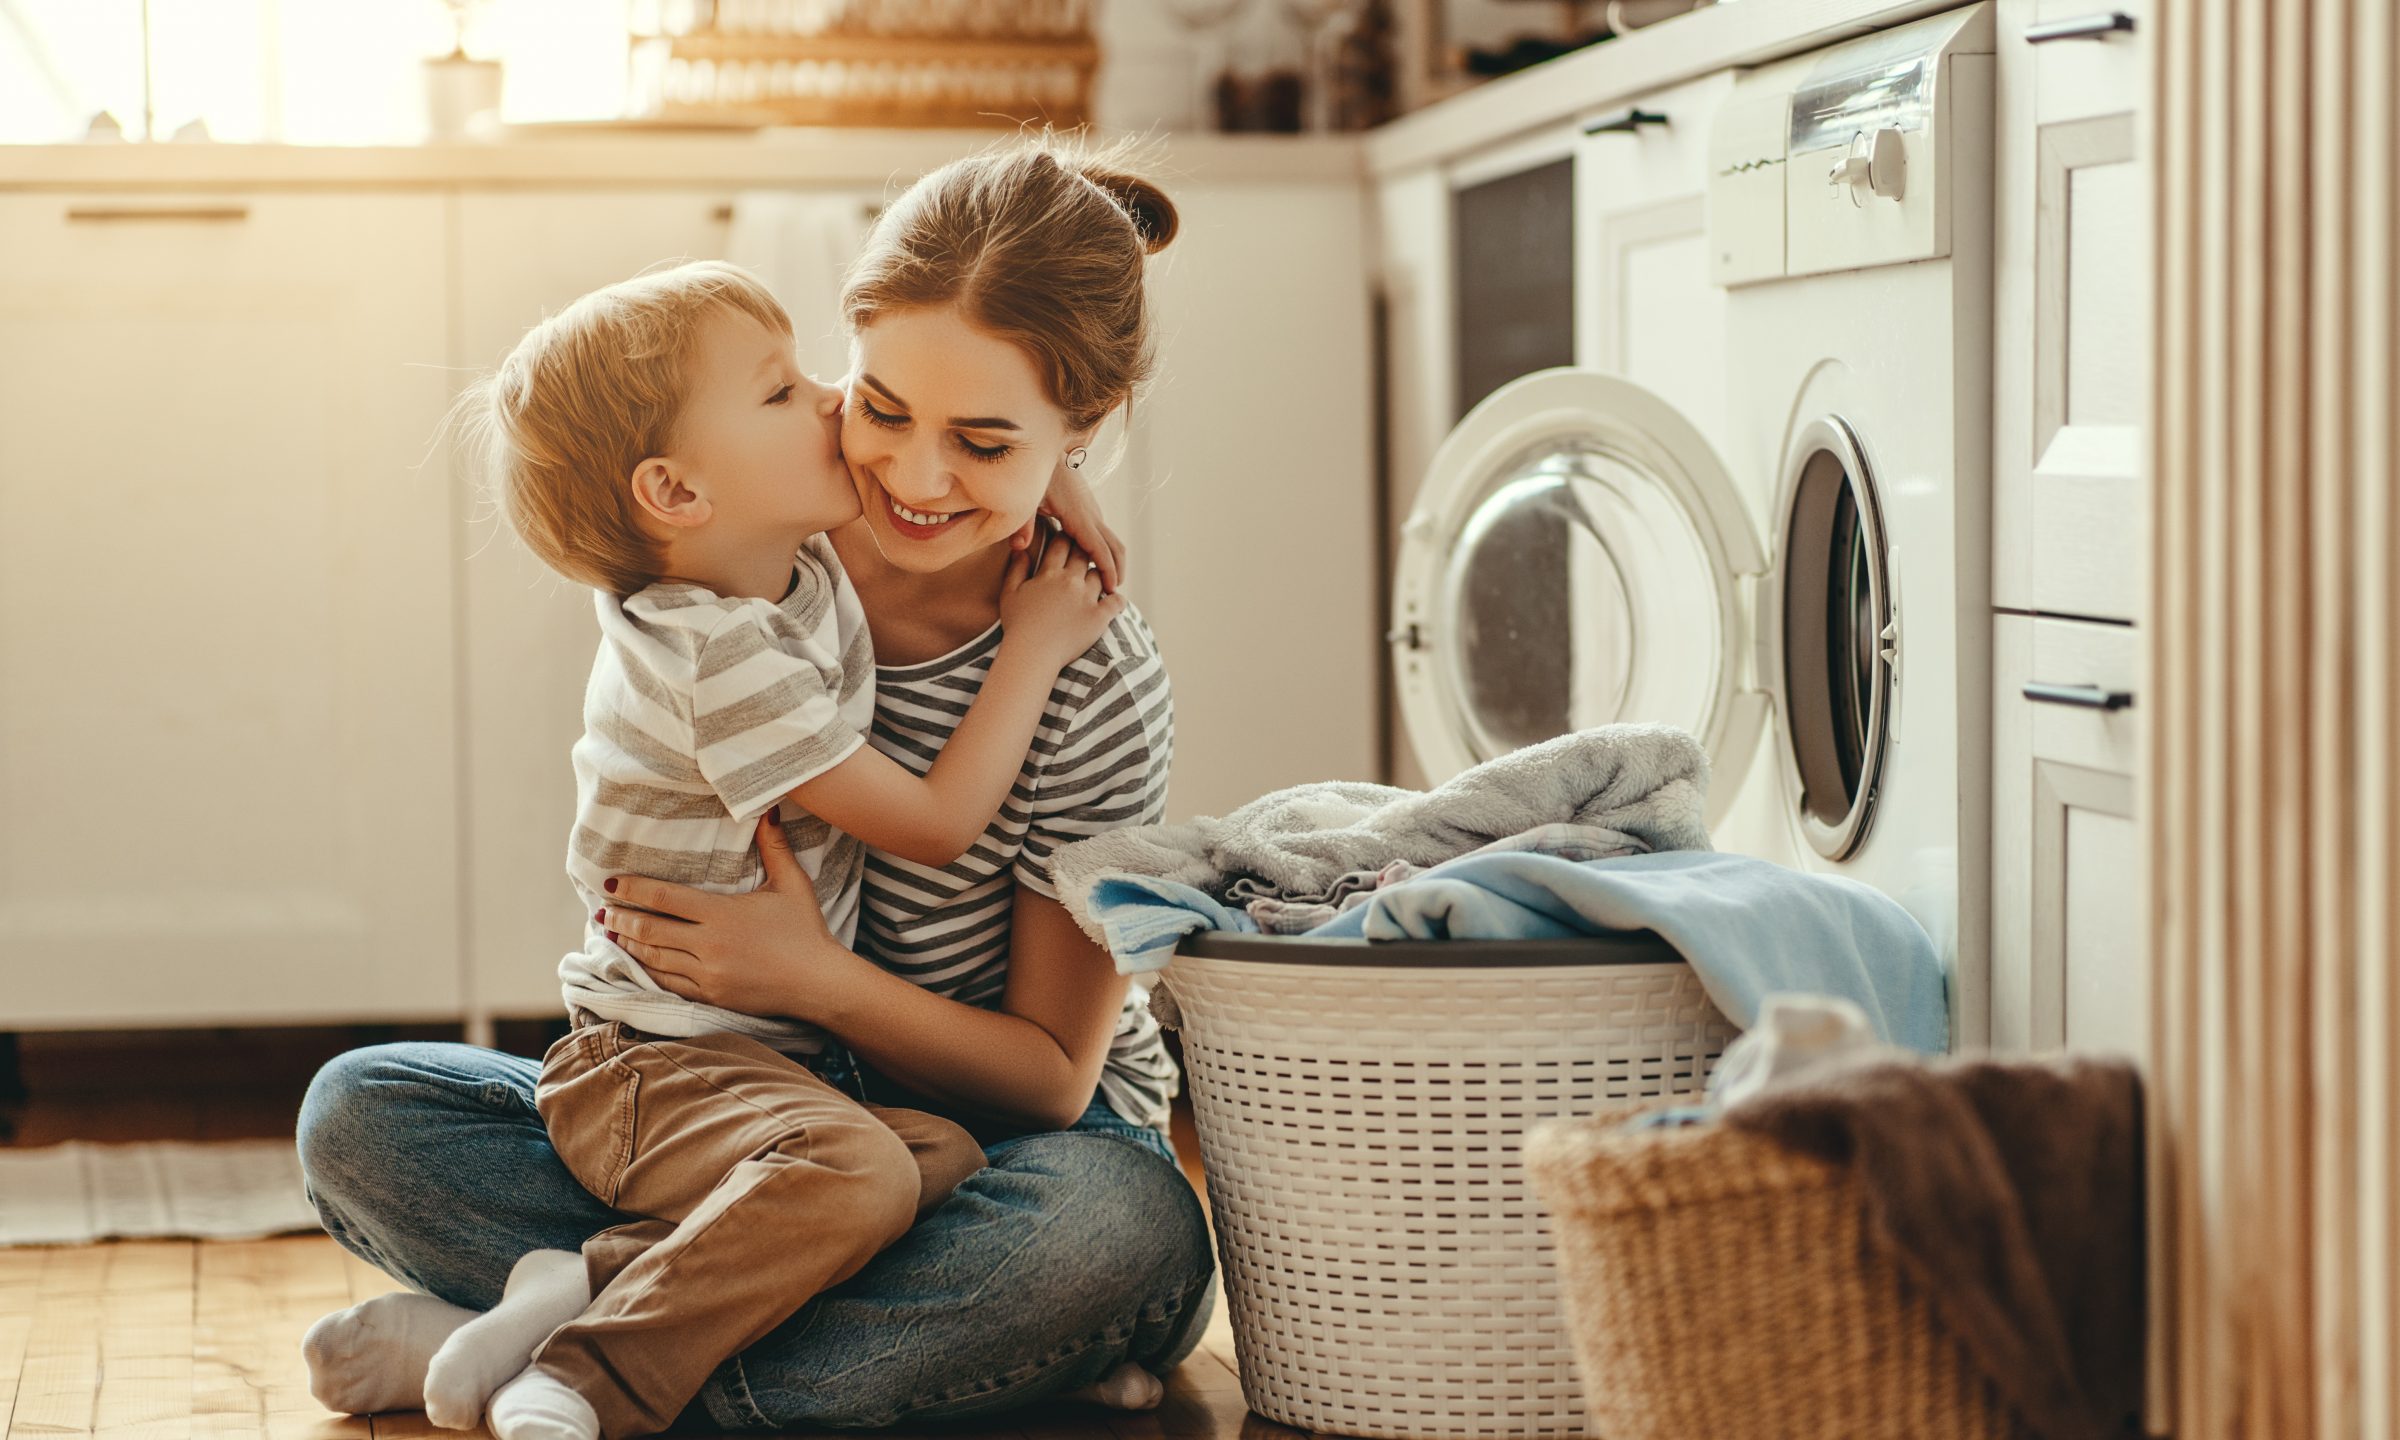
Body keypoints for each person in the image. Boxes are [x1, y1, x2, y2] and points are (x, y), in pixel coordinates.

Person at [294, 137, 1217, 1433]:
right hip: (765, 1114)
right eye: (883, 406)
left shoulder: (1091, 675)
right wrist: (1028, 454)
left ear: (1087, 430)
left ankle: (572, 1347)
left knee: (1119, 1231)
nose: (915, 477)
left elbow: (1058, 1081)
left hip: (1001, 1151)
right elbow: (631, 435)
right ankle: (694, 1347)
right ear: (846, 360)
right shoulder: (775, 513)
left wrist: (811, 979)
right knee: (364, 1113)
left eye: (987, 443)